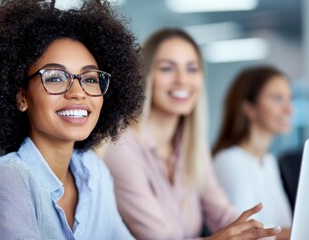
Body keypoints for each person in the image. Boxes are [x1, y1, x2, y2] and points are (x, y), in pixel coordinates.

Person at [0, 0, 144, 239]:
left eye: (90, 78)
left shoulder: (94, 172)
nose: (78, 92)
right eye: (55, 77)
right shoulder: (9, 176)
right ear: (21, 97)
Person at [103, 28, 281, 239]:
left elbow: (225, 216)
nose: (182, 80)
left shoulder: (192, 146)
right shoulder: (121, 146)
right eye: (167, 68)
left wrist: (267, 233)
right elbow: (158, 237)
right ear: (144, 76)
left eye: (192, 69)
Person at [212, 66, 293, 239]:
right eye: (278, 99)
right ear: (248, 108)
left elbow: (283, 224)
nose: (289, 110)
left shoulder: (268, 161)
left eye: (289, 99)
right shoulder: (229, 160)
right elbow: (250, 233)